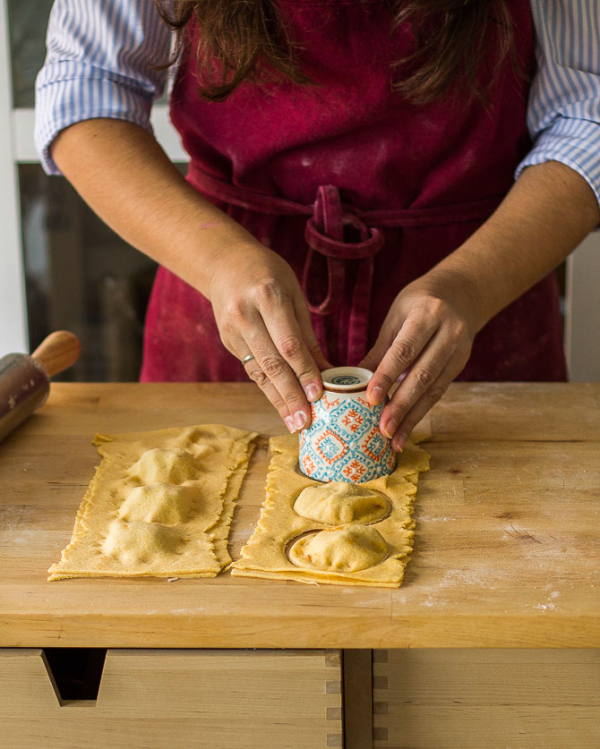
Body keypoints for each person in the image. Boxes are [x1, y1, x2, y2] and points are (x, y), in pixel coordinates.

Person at [35, 1, 600, 450]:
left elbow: (588, 119)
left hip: (480, 277)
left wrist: (474, 284)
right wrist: (218, 259)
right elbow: (86, 90)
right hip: (222, 282)